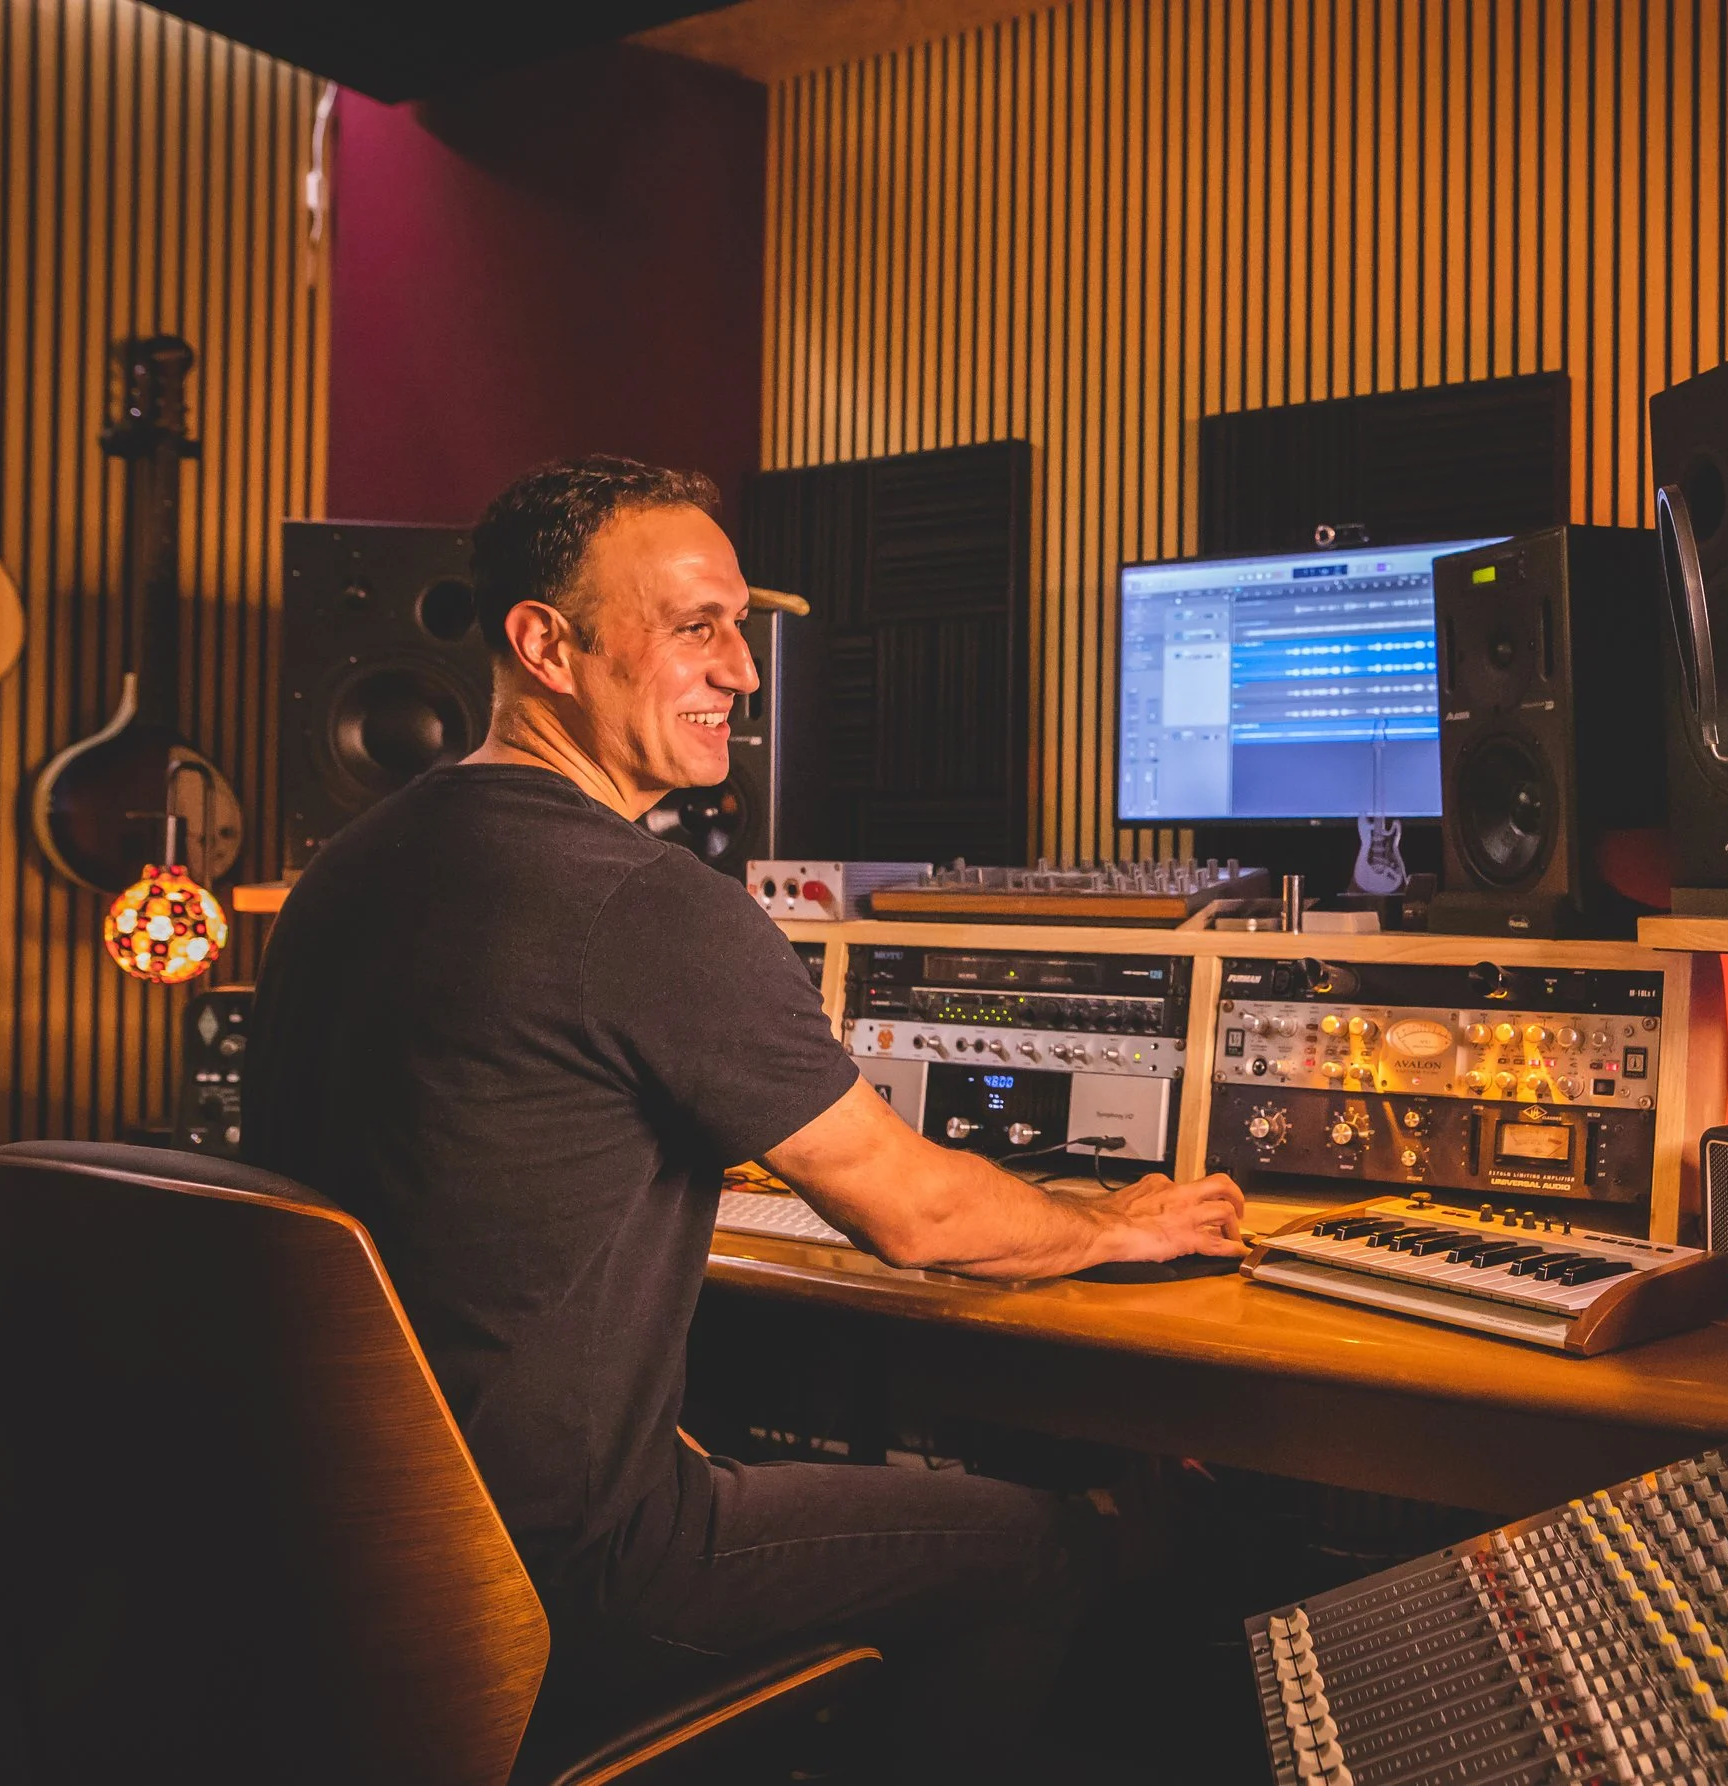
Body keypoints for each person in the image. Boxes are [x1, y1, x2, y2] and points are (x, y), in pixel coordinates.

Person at [241, 456, 1247, 1775]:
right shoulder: (641, 903)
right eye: (693, 626)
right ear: (545, 641)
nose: (746, 671)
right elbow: (917, 1209)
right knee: (1043, 1549)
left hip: (356, 1558)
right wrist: (1105, 1223)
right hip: (575, 1576)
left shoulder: (345, 869)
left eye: (742, 624)